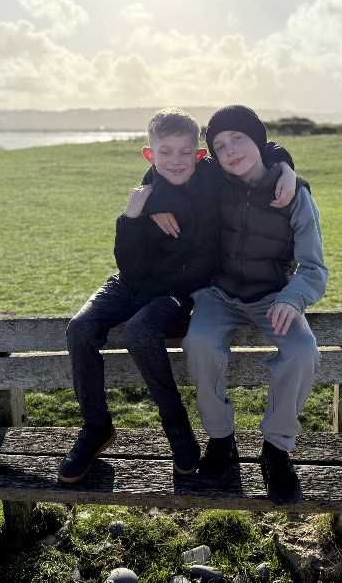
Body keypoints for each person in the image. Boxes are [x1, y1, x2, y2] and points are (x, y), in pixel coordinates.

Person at [58, 107, 297, 483]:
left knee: (140, 332)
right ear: (149, 154)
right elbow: (128, 265)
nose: (176, 160)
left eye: (186, 151)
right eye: (165, 152)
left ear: (199, 155)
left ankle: (178, 432)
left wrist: (286, 168)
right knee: (79, 329)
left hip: (177, 291)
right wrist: (134, 217)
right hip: (129, 283)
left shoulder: (213, 176)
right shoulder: (145, 194)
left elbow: (262, 150)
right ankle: (96, 428)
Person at [182, 105, 328, 505]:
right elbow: (167, 171)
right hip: (218, 294)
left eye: (238, 139)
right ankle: (220, 439)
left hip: (273, 297)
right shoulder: (214, 181)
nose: (230, 150)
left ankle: (276, 449)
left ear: (258, 141)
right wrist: (156, 204)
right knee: (199, 343)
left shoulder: (294, 195)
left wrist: (293, 297)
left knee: (303, 352)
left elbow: (314, 266)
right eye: (219, 146)